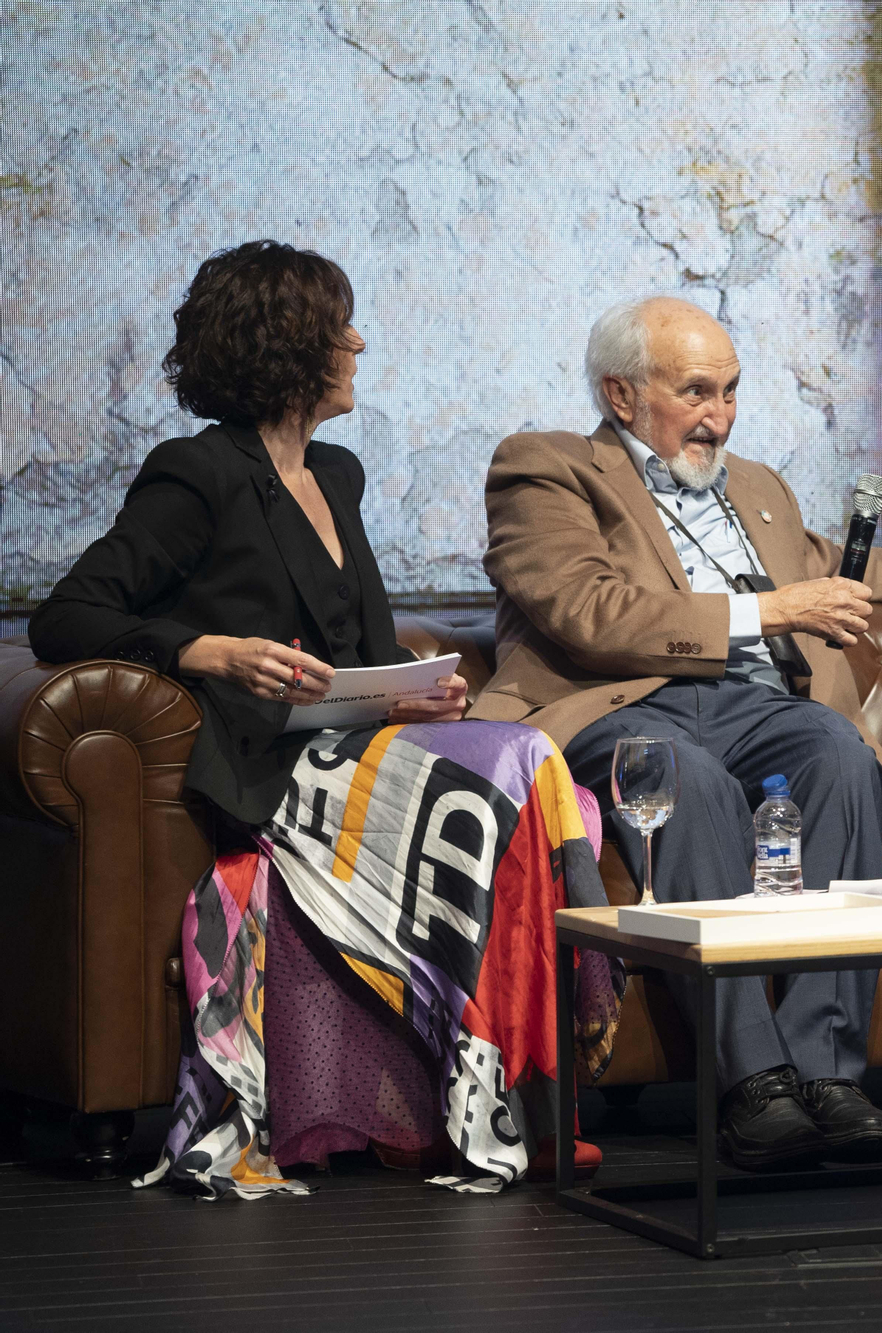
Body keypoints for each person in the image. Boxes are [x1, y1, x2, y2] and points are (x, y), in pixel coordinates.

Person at [30, 240, 623, 1197]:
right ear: (290, 343)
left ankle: (533, 1063)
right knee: (519, 755)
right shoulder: (197, 474)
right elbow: (69, 614)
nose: (357, 341)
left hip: (361, 742)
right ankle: (568, 1002)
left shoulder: (336, 474)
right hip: (274, 766)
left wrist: (418, 689)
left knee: (518, 754)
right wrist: (200, 649)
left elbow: (367, 646)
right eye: (338, 324)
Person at [470, 296, 882, 1170]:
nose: (720, 415)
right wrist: (768, 609)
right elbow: (585, 610)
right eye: (697, 392)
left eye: (731, 391)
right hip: (623, 704)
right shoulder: (547, 470)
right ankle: (751, 1081)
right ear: (622, 394)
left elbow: (834, 565)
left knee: (838, 754)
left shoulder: (752, 485)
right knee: (684, 777)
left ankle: (827, 1073)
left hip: (758, 708)